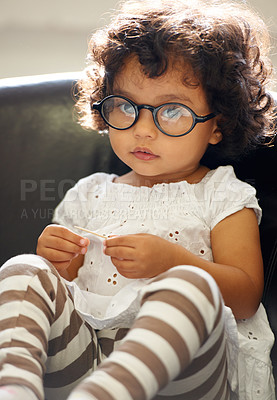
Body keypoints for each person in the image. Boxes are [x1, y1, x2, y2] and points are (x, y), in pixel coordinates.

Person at [0, 0, 276, 399]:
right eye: (125, 106)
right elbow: (65, 289)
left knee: (189, 286)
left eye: (172, 112)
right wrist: (59, 260)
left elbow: (247, 296)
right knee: (23, 269)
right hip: (86, 363)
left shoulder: (221, 193)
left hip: (184, 375)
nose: (143, 130)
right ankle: (14, 390)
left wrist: (173, 262)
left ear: (218, 124)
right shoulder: (89, 193)